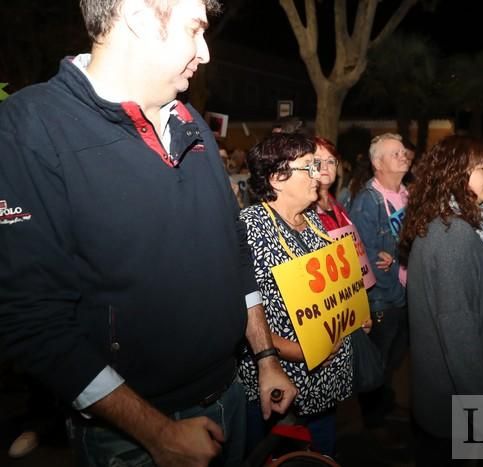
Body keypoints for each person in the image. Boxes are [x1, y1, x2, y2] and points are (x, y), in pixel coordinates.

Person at [0, 1, 296, 466]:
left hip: (233, 396)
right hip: (134, 432)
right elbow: (32, 321)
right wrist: (158, 434)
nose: (206, 52)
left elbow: (235, 252)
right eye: (195, 30)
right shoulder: (31, 127)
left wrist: (264, 357)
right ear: (137, 18)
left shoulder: (190, 121)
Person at [400, 135, 483, 466]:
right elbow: (458, 332)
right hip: (459, 403)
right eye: (481, 168)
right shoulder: (453, 235)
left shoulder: (455, 223)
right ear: (454, 175)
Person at [238, 133, 353, 458]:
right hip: (279, 386)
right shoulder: (249, 227)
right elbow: (242, 308)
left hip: (323, 384)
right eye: (308, 167)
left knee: (322, 455)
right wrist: (297, 351)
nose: (319, 174)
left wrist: (352, 312)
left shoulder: (314, 220)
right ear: (277, 178)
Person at [348, 133, 410, 437]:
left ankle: (384, 404)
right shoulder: (367, 201)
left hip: (404, 292)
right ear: (377, 163)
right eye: (395, 153)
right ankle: (372, 423)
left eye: (403, 152)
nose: (403, 156)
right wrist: (381, 258)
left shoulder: (406, 194)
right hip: (383, 296)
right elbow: (361, 251)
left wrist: (398, 256)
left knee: (395, 355)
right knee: (378, 360)